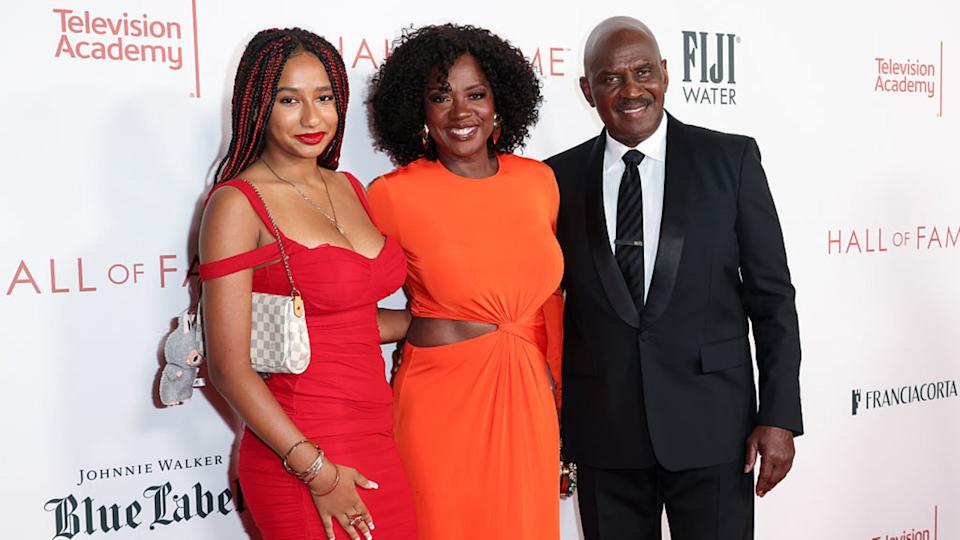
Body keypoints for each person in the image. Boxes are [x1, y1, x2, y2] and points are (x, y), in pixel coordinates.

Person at [545, 16, 803, 540]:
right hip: (603, 435)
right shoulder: (556, 179)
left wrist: (779, 415)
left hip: (715, 430)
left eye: (643, 71)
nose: (631, 89)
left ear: (665, 73)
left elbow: (772, 296)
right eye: (610, 78)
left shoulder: (730, 160)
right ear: (586, 89)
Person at [198, 28, 416, 540]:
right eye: (288, 100)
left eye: (324, 98)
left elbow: (345, 317)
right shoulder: (237, 203)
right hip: (300, 453)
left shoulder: (349, 187)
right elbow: (229, 368)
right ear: (257, 107)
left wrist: (429, 322)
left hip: (379, 439)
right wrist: (317, 472)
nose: (312, 118)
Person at [365, 23, 564, 540]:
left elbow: (549, 303)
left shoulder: (538, 182)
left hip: (530, 399)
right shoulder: (392, 195)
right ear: (420, 112)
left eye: (475, 94)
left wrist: (561, 401)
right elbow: (341, 296)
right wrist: (411, 321)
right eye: (440, 97)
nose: (460, 113)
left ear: (498, 104)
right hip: (439, 406)